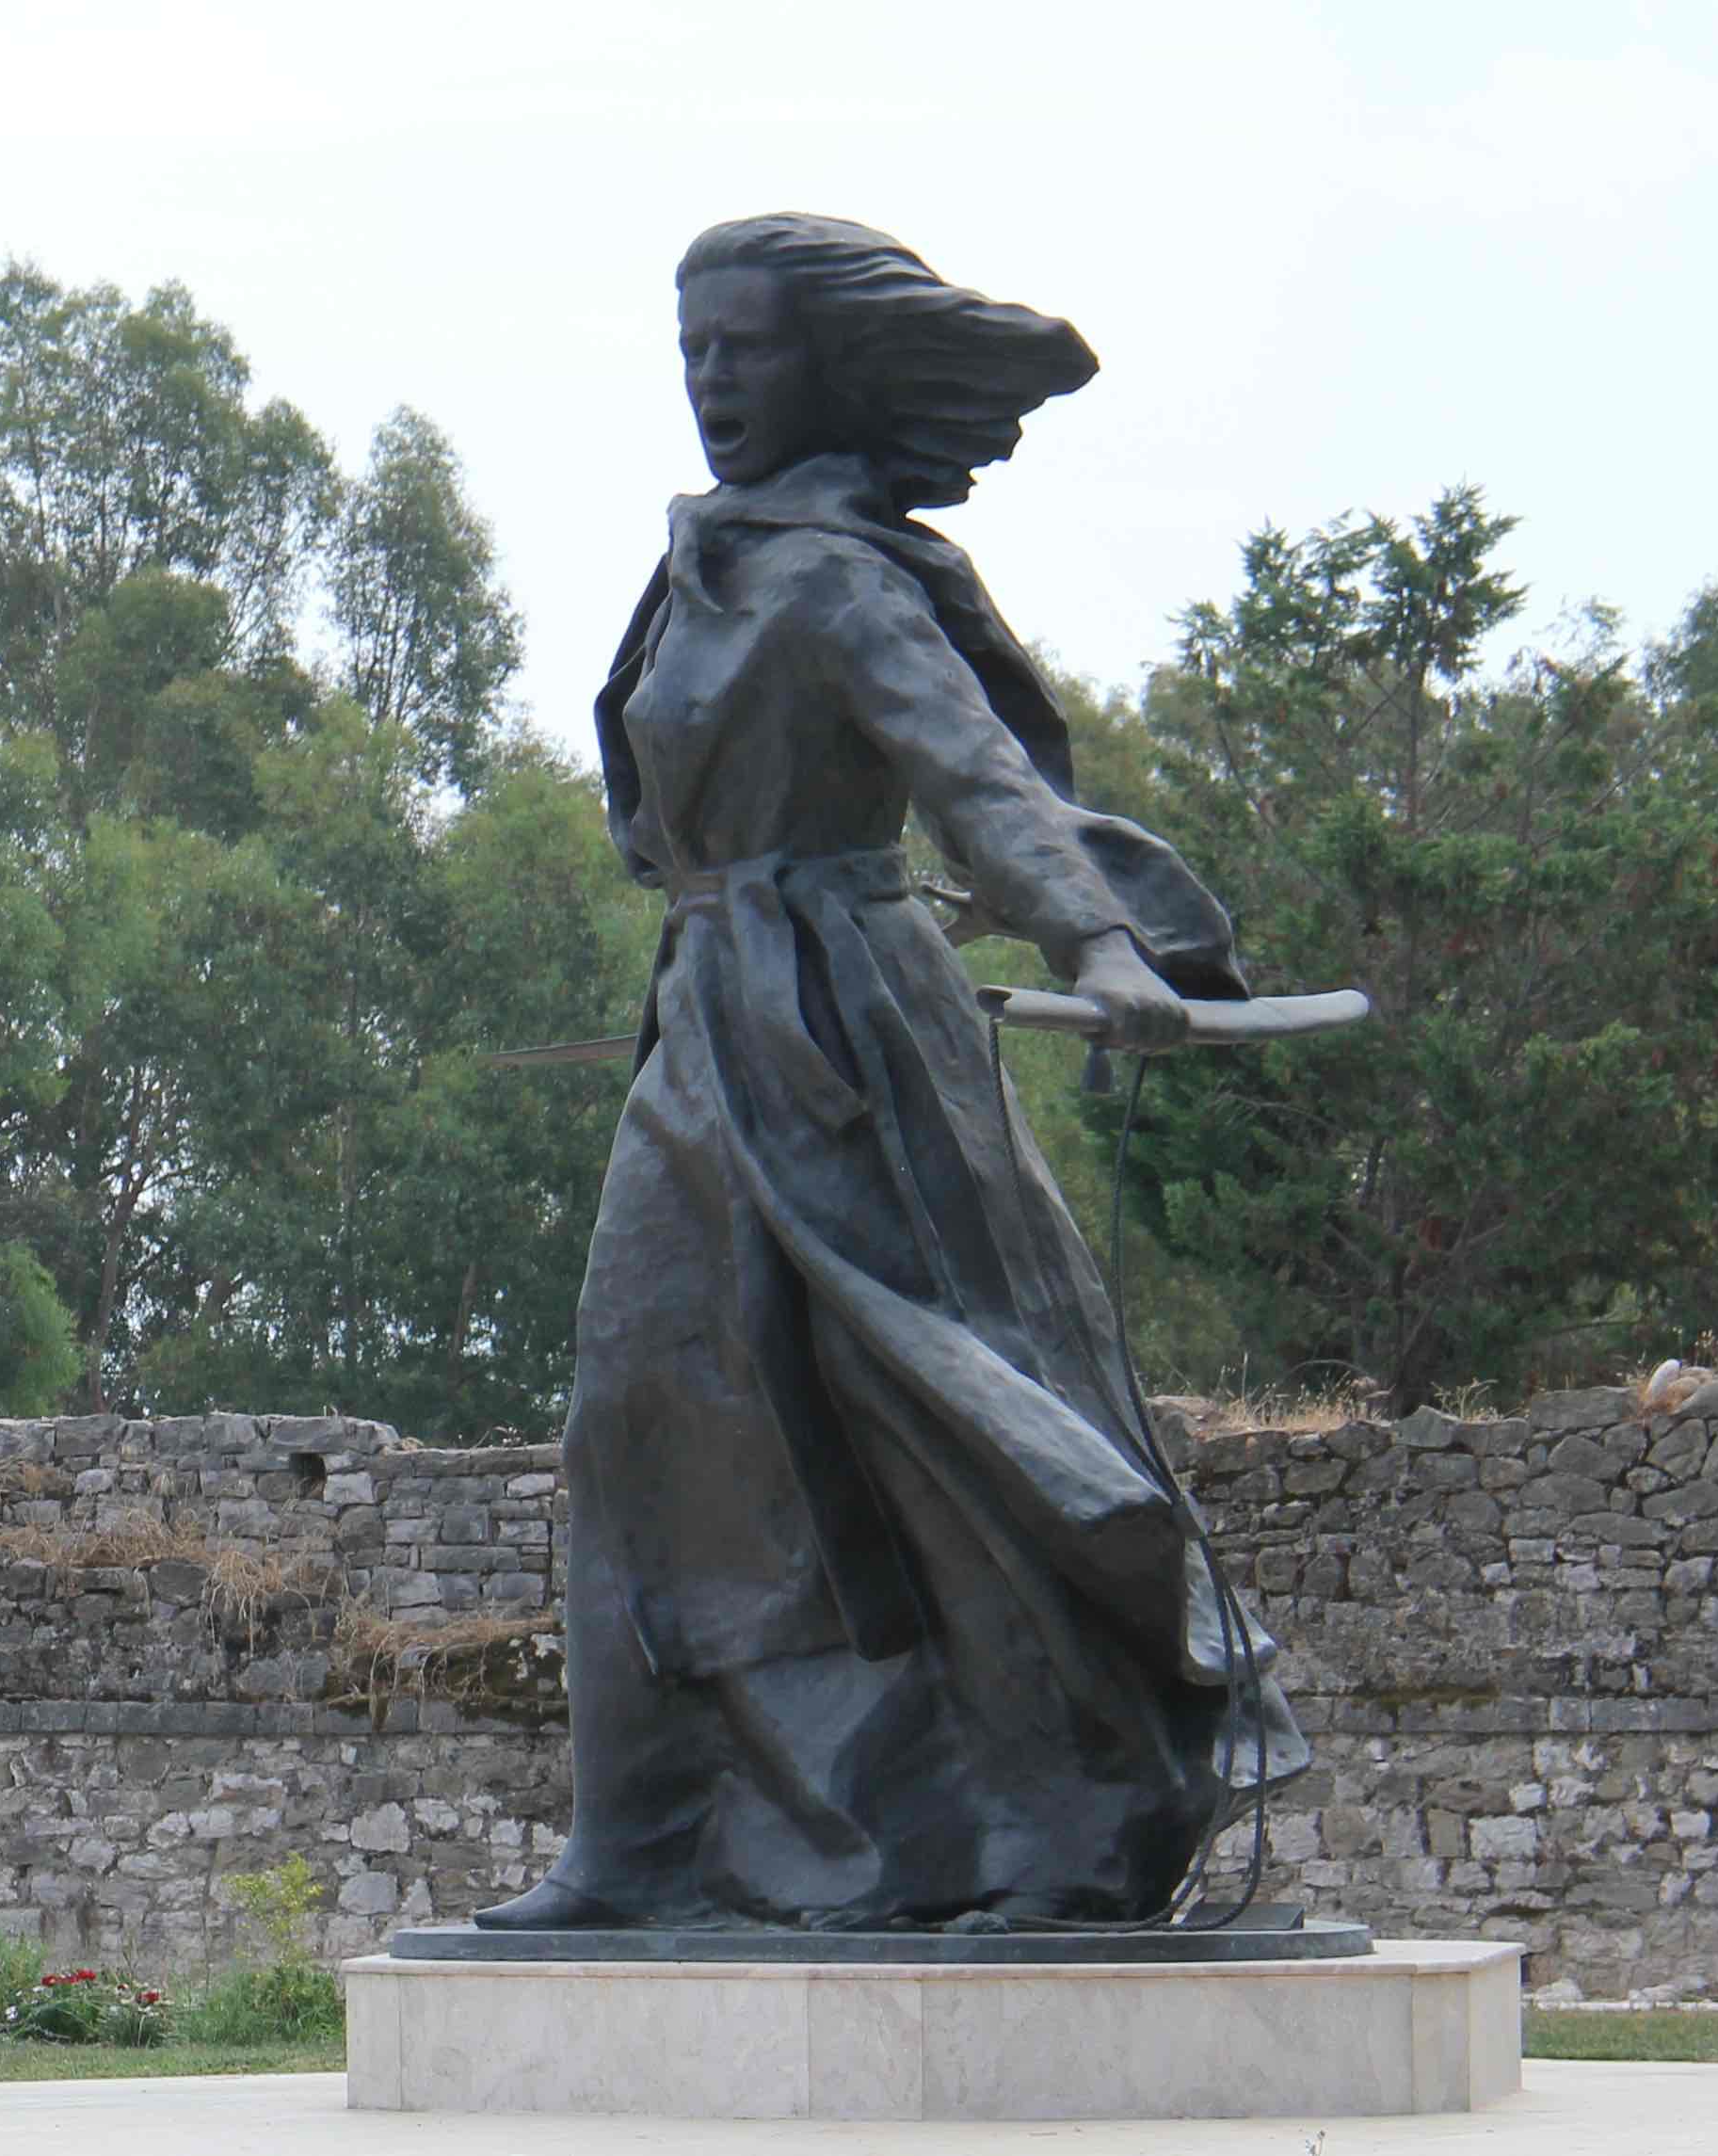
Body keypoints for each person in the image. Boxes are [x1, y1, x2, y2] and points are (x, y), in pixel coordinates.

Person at [477, 214, 1309, 1936]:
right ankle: (632, 1839)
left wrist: (1094, 942)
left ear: (829, 370)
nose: (711, 381)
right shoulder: (702, 562)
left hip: (848, 1031)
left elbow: (972, 774)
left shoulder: (834, 579)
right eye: (692, 349)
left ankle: (1065, 1832)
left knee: (933, 1422)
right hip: (706, 1016)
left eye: (747, 350)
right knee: (630, 1418)